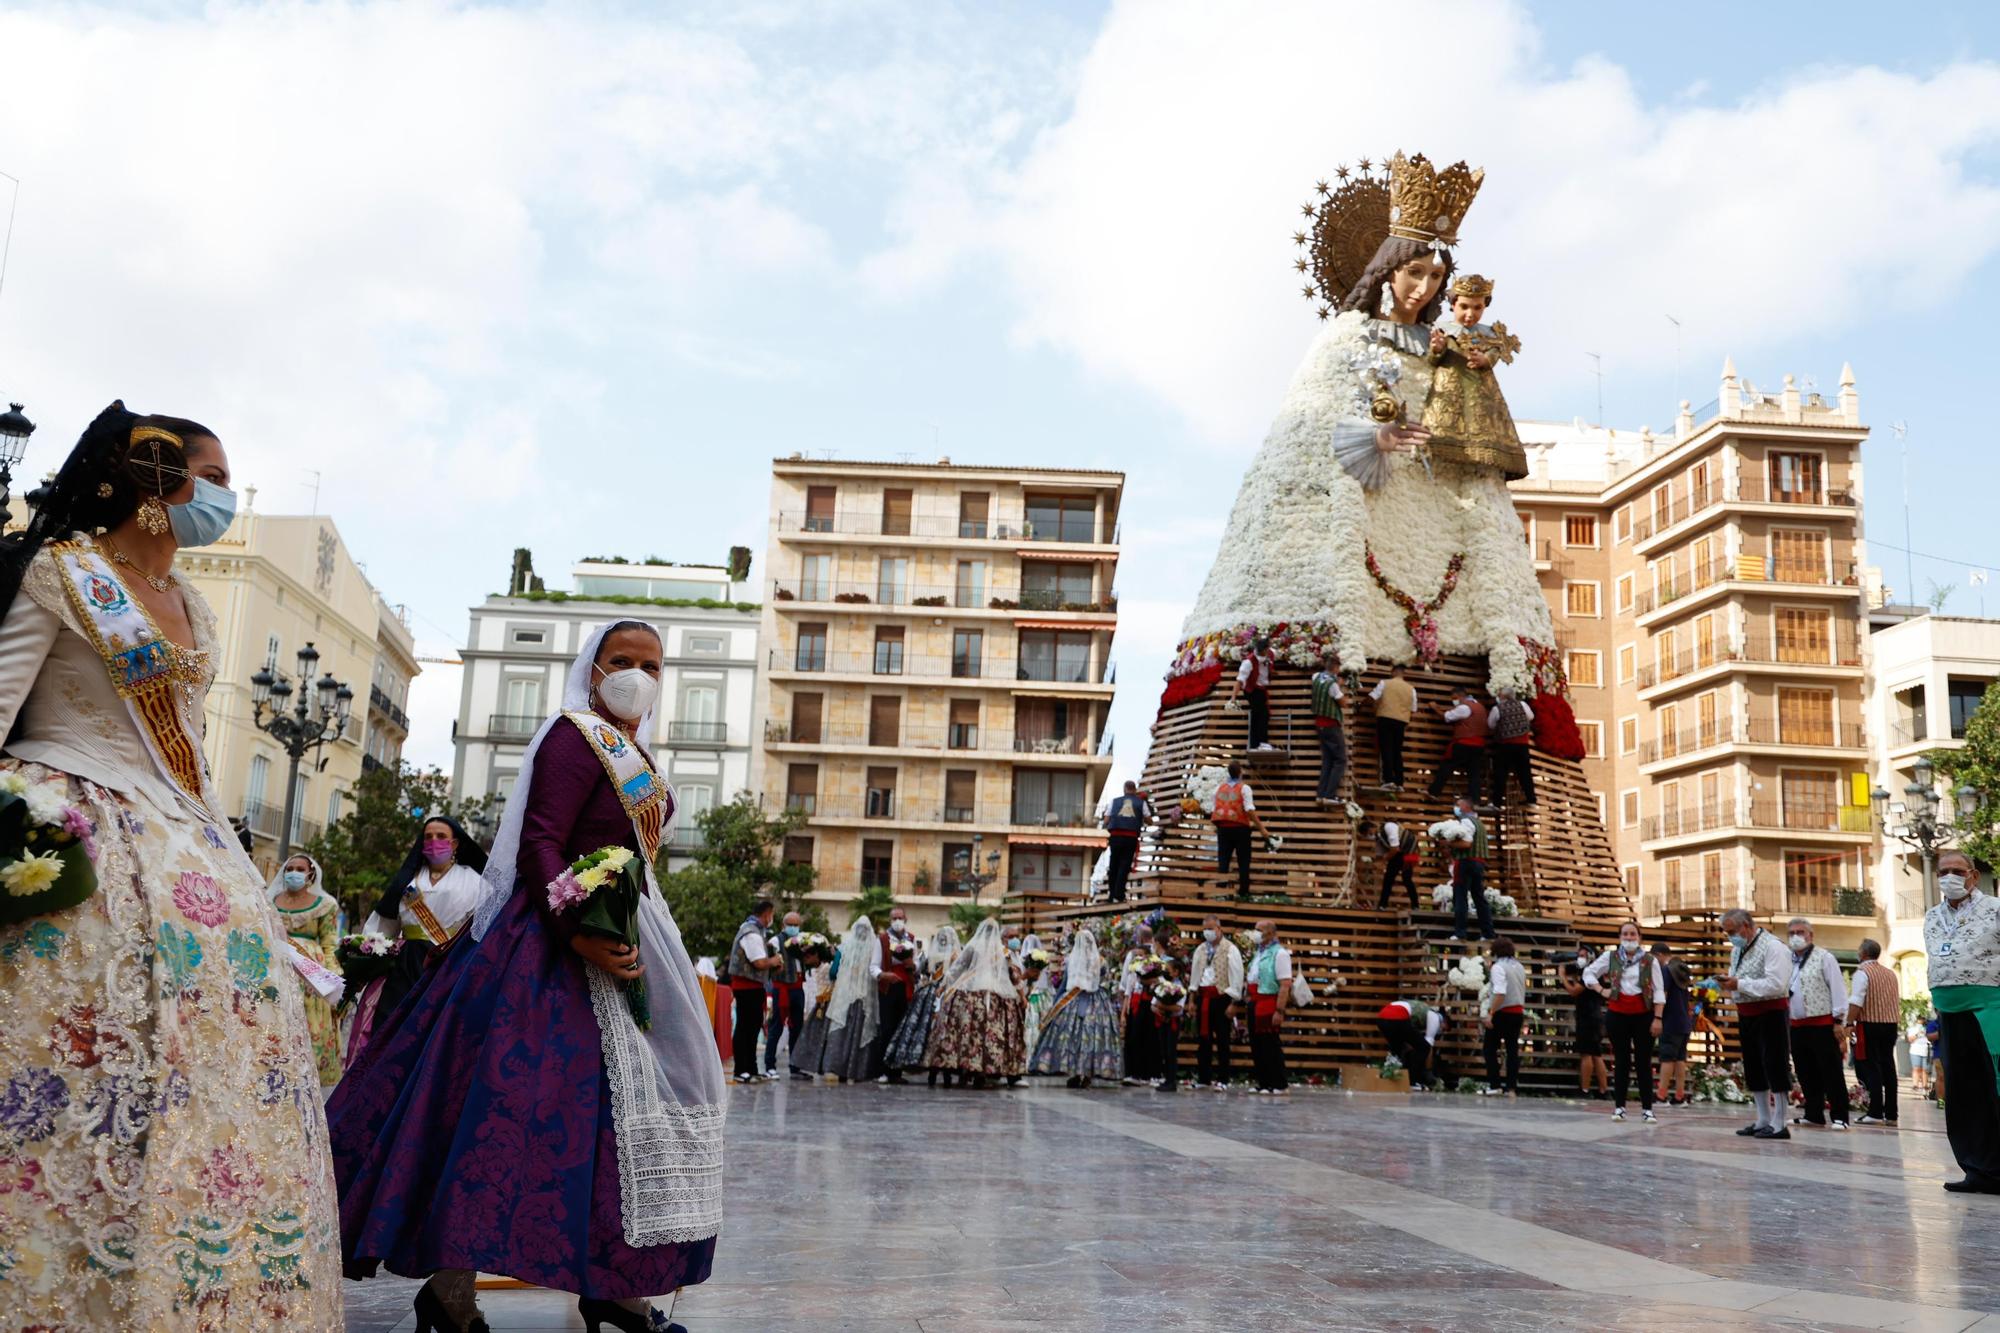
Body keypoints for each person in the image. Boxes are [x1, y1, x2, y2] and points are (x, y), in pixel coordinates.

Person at [0, 404, 344, 1326]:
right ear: (156, 481)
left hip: (187, 840)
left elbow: (183, 742)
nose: (222, 497)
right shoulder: (62, 571)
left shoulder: (190, 603)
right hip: (79, 826)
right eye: (210, 476)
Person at [329, 620, 722, 1333]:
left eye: (651, 665)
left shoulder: (636, 751)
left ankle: (616, 1286)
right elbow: (543, 836)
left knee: (620, 1122)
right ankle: (450, 1290)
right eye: (622, 661)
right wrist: (577, 934)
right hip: (549, 946)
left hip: (627, 934)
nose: (638, 675)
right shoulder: (577, 735)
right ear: (593, 669)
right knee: (501, 1115)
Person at [348, 814, 491, 1068]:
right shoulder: (409, 880)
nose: (434, 841)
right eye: (428, 837)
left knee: (434, 1029)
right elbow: (385, 924)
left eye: (441, 837)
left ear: (455, 843)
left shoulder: (474, 880)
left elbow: (485, 925)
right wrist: (365, 956)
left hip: (448, 962)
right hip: (405, 964)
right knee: (390, 1024)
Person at [1922, 851, 2000, 1193]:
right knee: (1962, 1090)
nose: (1949, 877)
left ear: (1973, 876)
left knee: (1992, 1085)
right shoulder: (1932, 916)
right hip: (1948, 1010)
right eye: (1943, 871)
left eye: (1957, 871)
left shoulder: (1995, 909)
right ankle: (1977, 1169)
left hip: (1988, 1008)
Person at [1419, 272, 1527, 477]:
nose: (1470, 314)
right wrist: (1437, 349)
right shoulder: (1441, 329)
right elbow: (1432, 361)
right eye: (1464, 307)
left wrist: (1486, 360)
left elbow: (1496, 352)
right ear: (1453, 305)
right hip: (1449, 389)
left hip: (1481, 391)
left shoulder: (1490, 334)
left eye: (1477, 308)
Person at [924, 918, 1028, 1089]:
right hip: (996, 999)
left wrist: (942, 987)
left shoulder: (973, 947)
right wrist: (1022, 997)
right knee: (989, 1036)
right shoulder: (1004, 952)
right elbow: (1015, 976)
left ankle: (965, 1067)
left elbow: (956, 969)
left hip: (969, 997)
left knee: (969, 1035)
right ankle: (984, 1071)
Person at [1719, 906, 1796, 1140]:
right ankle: (1763, 1118)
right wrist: (1728, 984)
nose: (1729, 936)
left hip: (1771, 1012)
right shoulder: (1736, 950)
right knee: (1754, 1066)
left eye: (1731, 931)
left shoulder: (1773, 947)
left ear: (1746, 926)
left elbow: (1776, 984)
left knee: (1775, 1063)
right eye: (1726, 932)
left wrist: (1739, 984)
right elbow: (1738, 977)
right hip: (1747, 1012)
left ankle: (1780, 1121)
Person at [271, 852, 346, 1086]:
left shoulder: (325, 905)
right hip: (275, 968)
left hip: (309, 974)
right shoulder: (270, 902)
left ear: (311, 874)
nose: (294, 872)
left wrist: (335, 976)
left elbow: (329, 941)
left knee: (308, 1022)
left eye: (300, 869)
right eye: (289, 868)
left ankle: (306, 1074)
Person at [1583, 922, 1664, 1123]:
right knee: (1621, 1061)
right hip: (1617, 1014)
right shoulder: (1611, 957)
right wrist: (1602, 990)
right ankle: (1620, 1107)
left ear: (1639, 937)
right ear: (1620, 936)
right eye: (1625, 934)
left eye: (1632, 933)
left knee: (1643, 1062)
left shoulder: (1649, 960)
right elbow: (1588, 973)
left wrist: (1658, 1017)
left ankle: (1647, 1109)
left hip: (1642, 1014)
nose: (1629, 937)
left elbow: (1659, 990)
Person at [1030, 927, 1124, 1087]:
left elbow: (1065, 984)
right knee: (1094, 1038)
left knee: (1072, 1038)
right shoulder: (1101, 961)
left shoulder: (1072, 959)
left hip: (1072, 1002)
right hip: (1097, 1003)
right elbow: (1104, 980)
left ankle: (1075, 1072)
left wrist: (1055, 1004)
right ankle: (1087, 1073)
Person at [1782, 917, 1850, 1130]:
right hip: (1796, 1024)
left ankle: (1840, 1116)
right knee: (1805, 1071)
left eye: (1800, 932)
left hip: (1822, 1023)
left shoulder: (1824, 957)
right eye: (1791, 933)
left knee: (1830, 1071)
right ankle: (1813, 1113)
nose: (1796, 936)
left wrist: (1839, 1020)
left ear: (1810, 935)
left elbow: (1838, 989)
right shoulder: (1787, 959)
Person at [884, 924, 957, 1085]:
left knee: (926, 1030)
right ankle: (945, 1071)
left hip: (929, 994)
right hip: (946, 994)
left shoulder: (931, 955)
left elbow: (921, 972)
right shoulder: (955, 956)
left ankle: (930, 1067)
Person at [818, 916, 882, 1084]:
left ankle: (834, 1069)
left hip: (844, 999)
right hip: (864, 1000)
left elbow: (833, 972)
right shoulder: (874, 948)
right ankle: (857, 1070)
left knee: (840, 1032)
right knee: (859, 1034)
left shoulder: (844, 947)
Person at [1846, 938, 1901, 1126]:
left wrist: (1848, 1022)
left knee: (1871, 1067)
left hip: (1869, 1024)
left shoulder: (1862, 973)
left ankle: (1875, 1111)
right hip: (1890, 1024)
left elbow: (1856, 1000)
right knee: (1888, 1067)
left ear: (1862, 954)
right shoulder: (1890, 973)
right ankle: (1892, 1113)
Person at [1186, 916, 1245, 1088]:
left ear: (1219, 929)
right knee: (1203, 1039)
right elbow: (1195, 975)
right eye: (1205, 929)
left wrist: (1234, 1002)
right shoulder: (1201, 949)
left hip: (1221, 996)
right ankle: (1204, 1078)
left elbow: (1237, 975)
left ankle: (1223, 1079)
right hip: (1204, 996)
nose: (1208, 933)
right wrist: (1192, 999)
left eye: (1211, 929)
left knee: (1223, 1040)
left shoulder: (1230, 949)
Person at [727, 899, 782, 1082]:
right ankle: (741, 1069)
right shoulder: (751, 932)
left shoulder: (757, 931)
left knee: (753, 1027)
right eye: (771, 915)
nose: (771, 918)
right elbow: (758, 962)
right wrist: (774, 961)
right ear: (767, 914)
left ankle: (751, 1068)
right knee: (745, 1027)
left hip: (754, 986)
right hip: (746, 987)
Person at [874, 906, 920, 1083]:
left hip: (905, 986)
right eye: (894, 918)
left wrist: (912, 965)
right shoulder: (883, 939)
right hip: (888, 987)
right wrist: (883, 975)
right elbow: (873, 966)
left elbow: (916, 963)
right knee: (887, 1029)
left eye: (900, 918)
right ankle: (883, 1070)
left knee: (902, 1029)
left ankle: (897, 1071)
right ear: (890, 920)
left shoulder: (911, 939)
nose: (897, 921)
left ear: (905, 919)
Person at [1246, 919, 1292, 1094]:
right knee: (1256, 1044)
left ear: (1271, 933)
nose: (1256, 933)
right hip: (1255, 1000)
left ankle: (1279, 1083)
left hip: (1269, 1002)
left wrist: (1279, 1010)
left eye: (1260, 930)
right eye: (1255, 929)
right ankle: (1264, 1081)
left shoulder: (1279, 953)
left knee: (1270, 1043)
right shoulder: (1258, 952)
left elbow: (1285, 984)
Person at [1212, 761, 1270, 899]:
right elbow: (1249, 809)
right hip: (1240, 829)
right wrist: (1262, 829)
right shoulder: (1244, 788)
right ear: (1240, 772)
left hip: (1223, 829)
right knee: (1243, 861)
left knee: (1223, 861)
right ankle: (1244, 892)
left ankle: (1221, 893)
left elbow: (1214, 809)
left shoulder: (1218, 788)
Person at [764, 910, 808, 1079]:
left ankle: (795, 1066)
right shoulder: (775, 940)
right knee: (776, 1027)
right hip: (781, 988)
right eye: (790, 925)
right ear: (783, 925)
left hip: (798, 987)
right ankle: (770, 1066)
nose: (793, 928)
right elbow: (770, 959)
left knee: (797, 1027)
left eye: (796, 925)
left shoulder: (803, 941)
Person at [1443, 797, 1494, 942]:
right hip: (1479, 863)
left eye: (1458, 805)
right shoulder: (1480, 824)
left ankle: (1460, 932)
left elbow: (1466, 844)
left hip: (1465, 862)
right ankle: (1488, 932)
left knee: (1460, 897)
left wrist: (1448, 843)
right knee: (1479, 898)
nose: (1456, 808)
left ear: (1466, 807)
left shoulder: (1466, 822)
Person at [1480, 936, 1526, 1096]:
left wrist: (1490, 1013)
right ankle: (1511, 1088)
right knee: (1512, 1050)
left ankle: (1495, 1084)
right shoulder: (1519, 966)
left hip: (1502, 1012)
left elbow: (1500, 992)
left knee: (1489, 1049)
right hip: (1518, 1012)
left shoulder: (1498, 967)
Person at [1651, 941, 1694, 1106]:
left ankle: (1661, 1096)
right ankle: (1679, 1096)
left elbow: (1664, 994)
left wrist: (1657, 1017)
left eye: (1654, 958)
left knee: (1667, 1059)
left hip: (1670, 1021)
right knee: (1680, 1059)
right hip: (1684, 1022)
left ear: (1660, 955)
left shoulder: (1665, 971)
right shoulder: (1681, 969)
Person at [1427, 688, 1488, 804]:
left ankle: (1434, 792)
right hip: (1479, 745)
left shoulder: (1464, 707)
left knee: (1447, 766)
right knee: (1473, 773)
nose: (1453, 701)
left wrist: (1435, 708)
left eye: (1454, 698)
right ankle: (1475, 799)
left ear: (1461, 696)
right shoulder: (1480, 707)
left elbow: (1447, 717)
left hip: (1464, 744)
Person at [1560, 956, 1608, 1099]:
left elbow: (1574, 990)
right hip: (1593, 1017)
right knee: (1596, 1054)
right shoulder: (1594, 975)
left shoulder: (1591, 975)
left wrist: (1562, 977)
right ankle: (1603, 1090)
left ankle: (1585, 1089)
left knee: (1587, 1054)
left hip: (1588, 1018)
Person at [1119, 925, 1161, 1086]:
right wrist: (1124, 1011)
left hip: (1145, 999)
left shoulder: (1152, 961)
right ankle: (1139, 1073)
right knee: (1138, 1037)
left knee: (1144, 1037)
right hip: (1137, 1002)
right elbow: (1127, 987)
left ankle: (1142, 1073)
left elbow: (1125, 983)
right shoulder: (1134, 967)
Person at [1377, 998, 1446, 1089]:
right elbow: (1428, 1045)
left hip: (1382, 1019)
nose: (1443, 1031)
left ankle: (1390, 1077)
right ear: (1444, 1021)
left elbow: (1409, 1037)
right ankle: (1412, 1081)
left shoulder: (1418, 1012)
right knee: (1423, 1048)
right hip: (1398, 1017)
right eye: (1445, 1029)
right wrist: (1428, 1070)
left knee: (1397, 1049)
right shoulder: (1434, 1017)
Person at [1484, 684, 1535, 807]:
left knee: (1501, 774)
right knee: (1525, 773)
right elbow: (1531, 717)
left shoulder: (1497, 708)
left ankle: (1497, 803)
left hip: (1505, 745)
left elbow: (1490, 724)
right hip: (1522, 745)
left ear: (1503, 696)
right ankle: (1531, 800)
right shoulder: (1522, 705)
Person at [1368, 665, 1416, 790]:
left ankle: (1388, 780)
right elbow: (1413, 709)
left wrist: (1362, 705)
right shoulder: (1411, 689)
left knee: (1386, 749)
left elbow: (1373, 696)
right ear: (1403, 673)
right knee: (1397, 752)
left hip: (1385, 719)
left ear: (1393, 672)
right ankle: (1400, 782)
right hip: (1401, 722)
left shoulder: (1385, 683)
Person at [1103, 781, 1150, 902]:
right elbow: (1149, 819)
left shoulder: (1114, 801)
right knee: (1124, 866)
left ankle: (1112, 894)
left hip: (1116, 836)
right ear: (1134, 790)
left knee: (1114, 865)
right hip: (1130, 837)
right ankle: (1119, 894)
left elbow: (1106, 820)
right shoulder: (1141, 802)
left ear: (1124, 789)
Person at [1227, 637, 1277, 750]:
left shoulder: (1270, 654)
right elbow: (1239, 681)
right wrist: (1233, 699)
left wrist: (1272, 672)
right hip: (1252, 690)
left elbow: (1267, 668)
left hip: (1262, 688)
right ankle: (1261, 742)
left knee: (1258, 715)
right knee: (1262, 714)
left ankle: (1256, 744)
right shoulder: (1248, 662)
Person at [1363, 817, 1421, 910]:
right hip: (1399, 853)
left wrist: (1382, 862)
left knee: (1406, 878)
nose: (1370, 836)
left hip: (1411, 850)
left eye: (1369, 833)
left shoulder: (1388, 827)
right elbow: (1380, 855)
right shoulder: (1379, 839)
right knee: (1388, 878)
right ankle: (1382, 905)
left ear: (1372, 828)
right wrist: (1374, 865)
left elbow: (1394, 848)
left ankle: (1416, 906)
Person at [1310, 666, 1347, 804]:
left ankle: (1321, 794)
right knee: (1340, 760)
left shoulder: (1316, 676)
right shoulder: (1333, 685)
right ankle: (1330, 795)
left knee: (1328, 760)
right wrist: (1339, 685)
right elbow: (1343, 703)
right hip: (1331, 725)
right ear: (1336, 668)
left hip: (1319, 724)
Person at [1153, 959, 1188, 1092]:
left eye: (1168, 970)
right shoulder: (1163, 985)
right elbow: (1153, 1003)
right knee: (1163, 1050)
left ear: (1176, 972)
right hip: (1162, 1020)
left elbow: (1179, 1007)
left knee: (1170, 1051)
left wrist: (1164, 1006)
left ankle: (1171, 1080)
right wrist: (1157, 1008)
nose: (1166, 972)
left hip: (1173, 1021)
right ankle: (1166, 1078)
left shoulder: (1180, 988)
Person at [1909, 1018, 1933, 1100]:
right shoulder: (1912, 1028)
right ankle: (1915, 1085)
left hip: (1926, 1050)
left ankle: (1925, 1086)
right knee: (1916, 1068)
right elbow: (1910, 1039)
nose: (1921, 1022)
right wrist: (1918, 1034)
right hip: (1915, 1050)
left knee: (1925, 1069)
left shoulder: (1928, 1028)